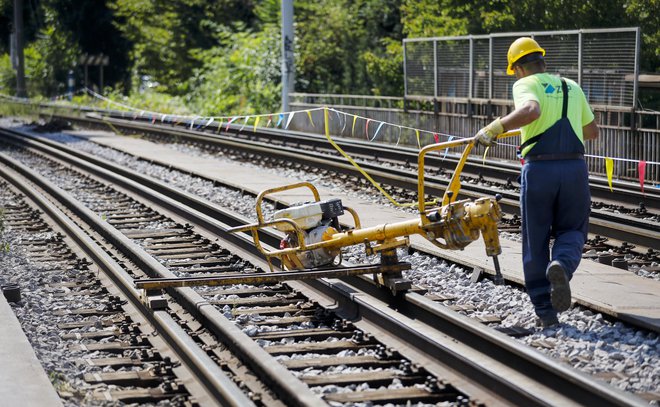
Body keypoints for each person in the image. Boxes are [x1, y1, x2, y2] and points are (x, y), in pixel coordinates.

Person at [475, 37, 599, 328]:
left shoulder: (525, 83)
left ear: (518, 68)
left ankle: (545, 310)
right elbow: (592, 131)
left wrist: (494, 128)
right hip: (574, 168)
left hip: (540, 169)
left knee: (536, 237)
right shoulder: (572, 86)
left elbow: (531, 111)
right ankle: (562, 266)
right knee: (573, 229)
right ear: (542, 60)